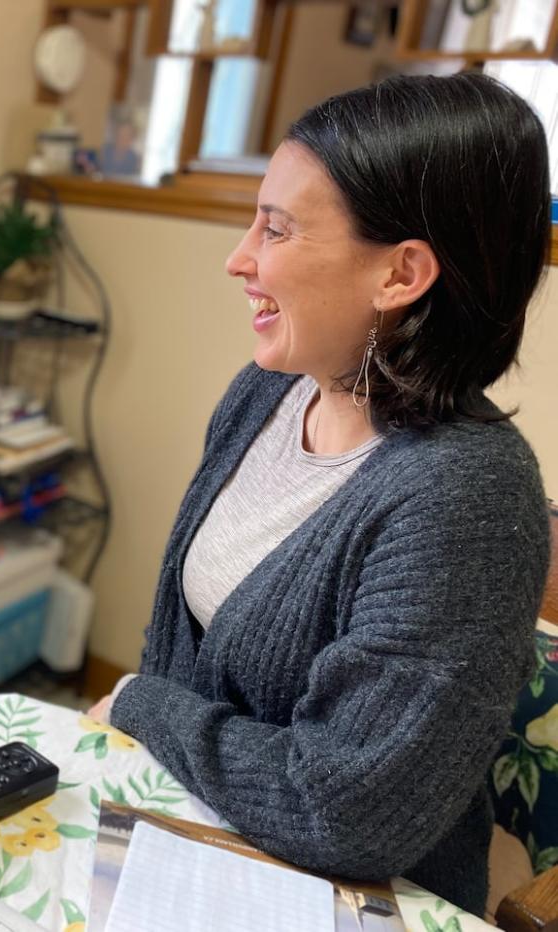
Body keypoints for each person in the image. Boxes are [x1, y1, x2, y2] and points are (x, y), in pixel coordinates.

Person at [89, 72, 551, 917]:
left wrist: (143, 709)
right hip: (190, 839)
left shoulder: (469, 497)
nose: (240, 258)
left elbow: (343, 812)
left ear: (401, 273)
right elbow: (184, 641)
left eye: (277, 227)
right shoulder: (269, 393)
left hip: (348, 892)